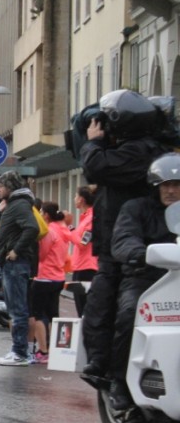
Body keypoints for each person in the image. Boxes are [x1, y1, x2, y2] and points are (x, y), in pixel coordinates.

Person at [79, 90, 172, 386]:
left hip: (142, 256)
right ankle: (110, 373)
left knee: (117, 309)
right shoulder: (138, 151)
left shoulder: (140, 152)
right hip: (130, 250)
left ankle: (111, 370)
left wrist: (93, 142)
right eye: (167, 184)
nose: (171, 190)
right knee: (112, 308)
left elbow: (95, 167)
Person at [105, 153, 180, 420]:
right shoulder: (136, 208)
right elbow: (123, 239)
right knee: (130, 314)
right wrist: (140, 252)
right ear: (156, 186)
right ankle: (118, 382)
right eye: (165, 185)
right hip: (146, 279)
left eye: (177, 185)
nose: (171, 190)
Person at [0, 171, 40, 366]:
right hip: (12, 264)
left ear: (9, 187)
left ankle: (20, 353)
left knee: (17, 310)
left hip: (16, 264)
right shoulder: (14, 205)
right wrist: (0, 213)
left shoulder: (19, 205)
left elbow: (32, 228)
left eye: (0, 186)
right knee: (16, 309)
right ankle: (20, 351)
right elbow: (6, 231)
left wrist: (15, 251)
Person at [28, 202, 69, 364]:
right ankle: (54, 350)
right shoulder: (62, 230)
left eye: (41, 212)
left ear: (45, 215)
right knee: (53, 314)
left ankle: (43, 350)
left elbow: (42, 255)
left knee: (38, 314)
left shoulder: (48, 231)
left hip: (44, 277)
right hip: (59, 276)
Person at [65, 186, 96, 316]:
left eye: (76, 196)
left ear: (81, 199)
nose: (74, 199)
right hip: (80, 266)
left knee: (84, 307)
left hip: (87, 268)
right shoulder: (85, 218)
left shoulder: (91, 219)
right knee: (80, 306)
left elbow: (83, 243)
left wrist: (69, 227)